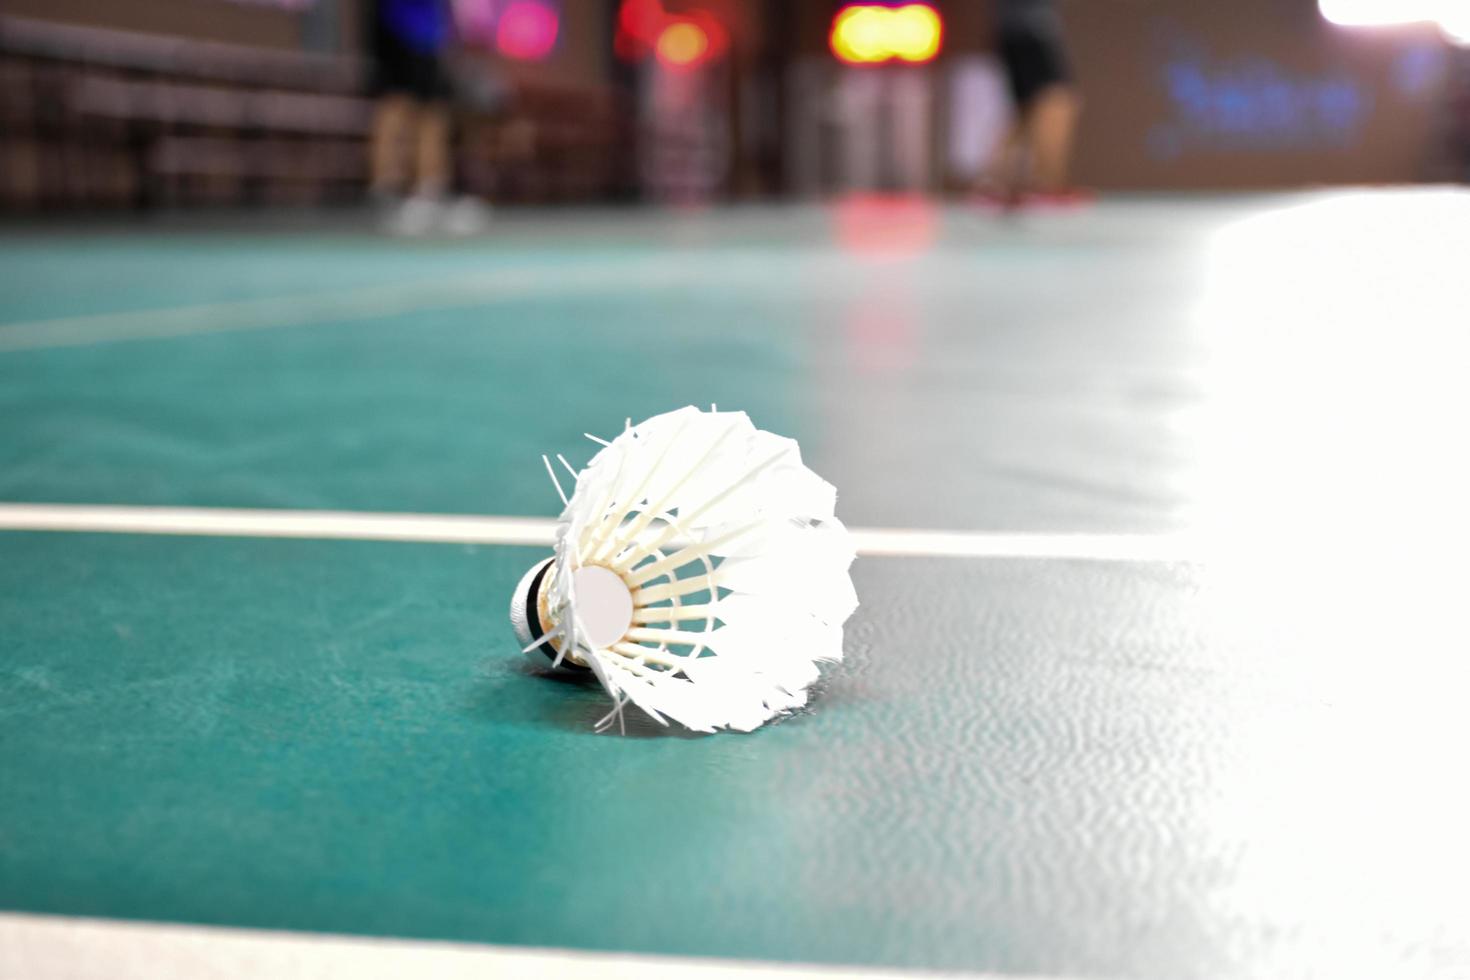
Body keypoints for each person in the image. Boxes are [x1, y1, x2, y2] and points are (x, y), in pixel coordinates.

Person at [367, 0, 488, 234]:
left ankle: (429, 188)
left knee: (433, 115)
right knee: (396, 109)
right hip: (398, 40)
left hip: (429, 43)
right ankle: (387, 188)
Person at [982, 0, 1084, 206]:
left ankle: (995, 184)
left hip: (1016, 26)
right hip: (1030, 28)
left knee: (1027, 107)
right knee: (1056, 100)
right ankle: (1045, 185)